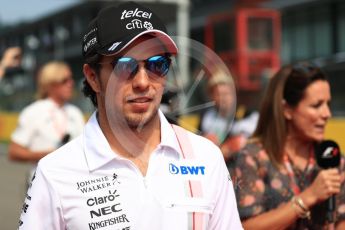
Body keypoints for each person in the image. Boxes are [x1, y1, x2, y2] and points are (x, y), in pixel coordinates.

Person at [18, 2, 242, 230]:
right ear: (93, 77)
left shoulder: (206, 157)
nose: (143, 82)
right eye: (125, 66)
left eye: (157, 64)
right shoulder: (55, 172)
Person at [231, 63, 345, 229]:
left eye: (328, 104)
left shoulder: (332, 158)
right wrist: (307, 198)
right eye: (316, 105)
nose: (327, 114)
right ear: (287, 110)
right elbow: (247, 226)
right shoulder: (253, 157)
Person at [8, 61, 85, 184]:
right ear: (50, 84)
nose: (71, 83)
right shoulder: (33, 111)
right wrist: (49, 155)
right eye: (64, 80)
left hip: (73, 184)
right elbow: (14, 152)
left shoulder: (75, 112)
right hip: (42, 184)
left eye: (71, 79)